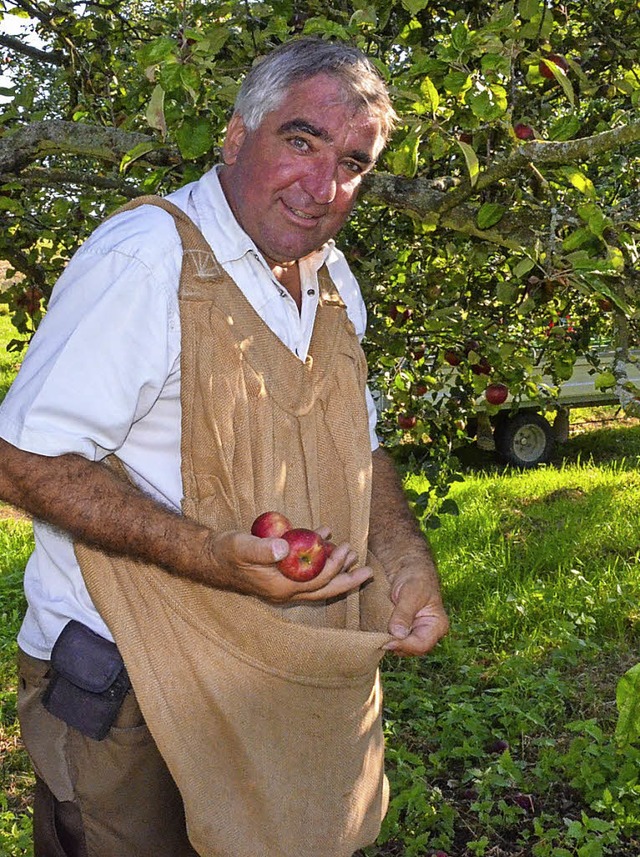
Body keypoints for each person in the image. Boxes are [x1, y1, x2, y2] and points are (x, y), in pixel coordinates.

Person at [0, 37, 449, 857]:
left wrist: (402, 556)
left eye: (352, 162)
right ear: (238, 134)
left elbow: (366, 448)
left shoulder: (332, 279)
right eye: (301, 141)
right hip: (132, 684)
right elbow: (23, 461)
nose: (323, 188)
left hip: (274, 674)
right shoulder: (146, 261)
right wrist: (209, 554)